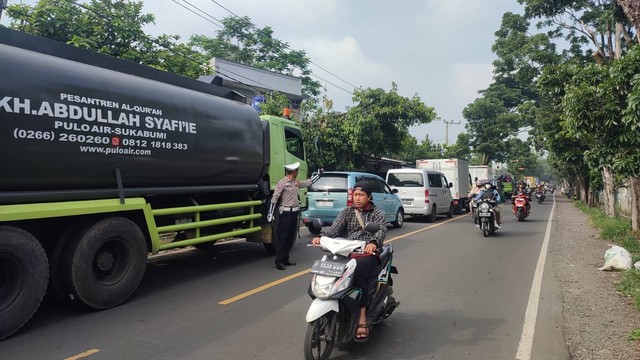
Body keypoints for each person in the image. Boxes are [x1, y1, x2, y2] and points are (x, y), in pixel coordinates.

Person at [310, 181, 386, 342]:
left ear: (369, 197)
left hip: (367, 253)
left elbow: (380, 230)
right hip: (347, 251)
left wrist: (373, 243)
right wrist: (321, 237)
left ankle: (362, 318)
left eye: (361, 195)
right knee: (326, 268)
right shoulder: (347, 212)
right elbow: (334, 229)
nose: (357, 198)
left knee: (359, 273)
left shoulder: (377, 214)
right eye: (355, 195)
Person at [267, 162, 321, 270]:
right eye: (297, 171)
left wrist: (318, 176)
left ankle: (286, 258)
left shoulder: (295, 182)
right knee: (282, 238)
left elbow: (306, 183)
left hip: (294, 213)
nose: (297, 173)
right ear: (293, 172)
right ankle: (279, 261)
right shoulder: (282, 183)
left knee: (290, 237)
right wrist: (270, 213)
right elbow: (274, 198)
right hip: (285, 214)